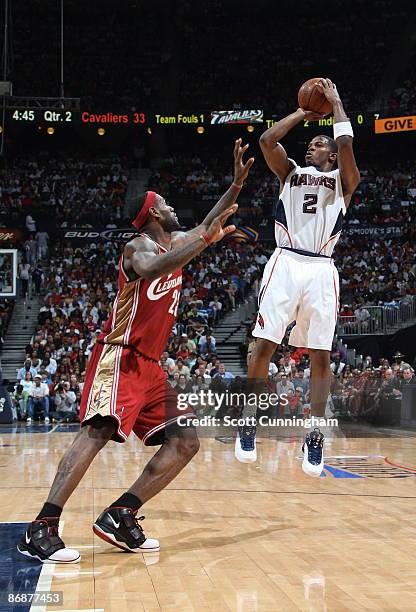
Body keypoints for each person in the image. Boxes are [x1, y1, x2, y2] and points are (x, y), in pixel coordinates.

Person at [18, 139, 254, 564]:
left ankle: (120, 514)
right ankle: (41, 527)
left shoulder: (179, 240)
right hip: (120, 355)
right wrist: (205, 238)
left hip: (151, 367)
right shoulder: (138, 247)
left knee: (185, 442)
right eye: (163, 202)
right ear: (151, 213)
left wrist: (235, 186)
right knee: (98, 430)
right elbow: (156, 267)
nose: (171, 205)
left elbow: (207, 225)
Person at [235, 78, 360, 476]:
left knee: (320, 353)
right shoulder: (289, 173)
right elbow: (268, 141)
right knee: (265, 343)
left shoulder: (344, 181)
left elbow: (346, 146)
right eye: (312, 142)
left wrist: (337, 102)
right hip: (286, 261)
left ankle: (315, 431)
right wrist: (304, 112)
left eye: (320, 143)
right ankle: (249, 419)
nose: (314, 145)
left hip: (321, 268)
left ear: (331, 155)